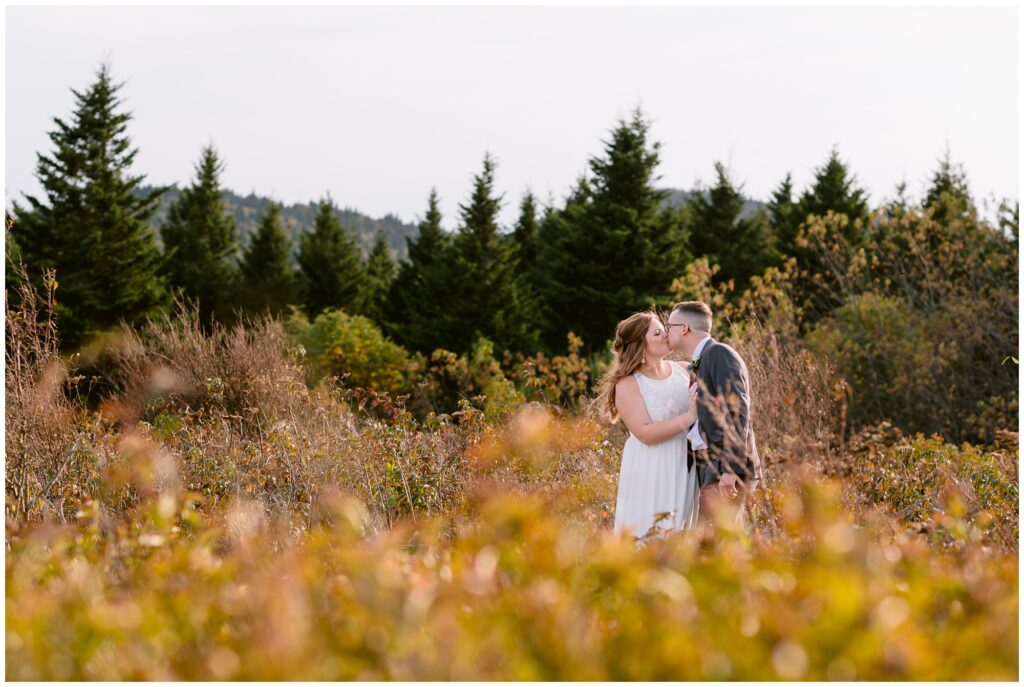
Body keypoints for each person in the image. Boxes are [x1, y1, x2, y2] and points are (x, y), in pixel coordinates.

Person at [595, 310, 700, 542]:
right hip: (651, 467)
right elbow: (644, 433)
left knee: (682, 537)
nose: (666, 335)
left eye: (664, 329)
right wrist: (689, 416)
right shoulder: (628, 384)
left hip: (684, 463)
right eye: (658, 333)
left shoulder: (684, 369)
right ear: (642, 346)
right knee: (651, 535)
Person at [665, 301, 763, 525]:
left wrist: (730, 468)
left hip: (724, 469)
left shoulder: (718, 353)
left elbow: (737, 411)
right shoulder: (700, 361)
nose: (666, 332)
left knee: (715, 547)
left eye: (669, 326)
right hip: (711, 469)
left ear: (684, 328)